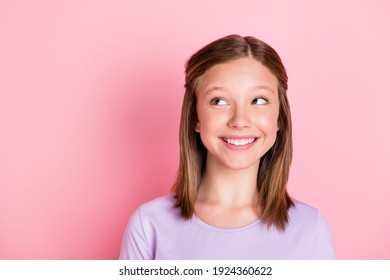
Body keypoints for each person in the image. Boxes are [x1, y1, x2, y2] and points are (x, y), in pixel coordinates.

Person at [119, 34, 335, 259]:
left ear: (279, 118)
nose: (240, 120)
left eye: (259, 100)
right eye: (219, 101)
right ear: (196, 117)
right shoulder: (149, 226)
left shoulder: (311, 230)